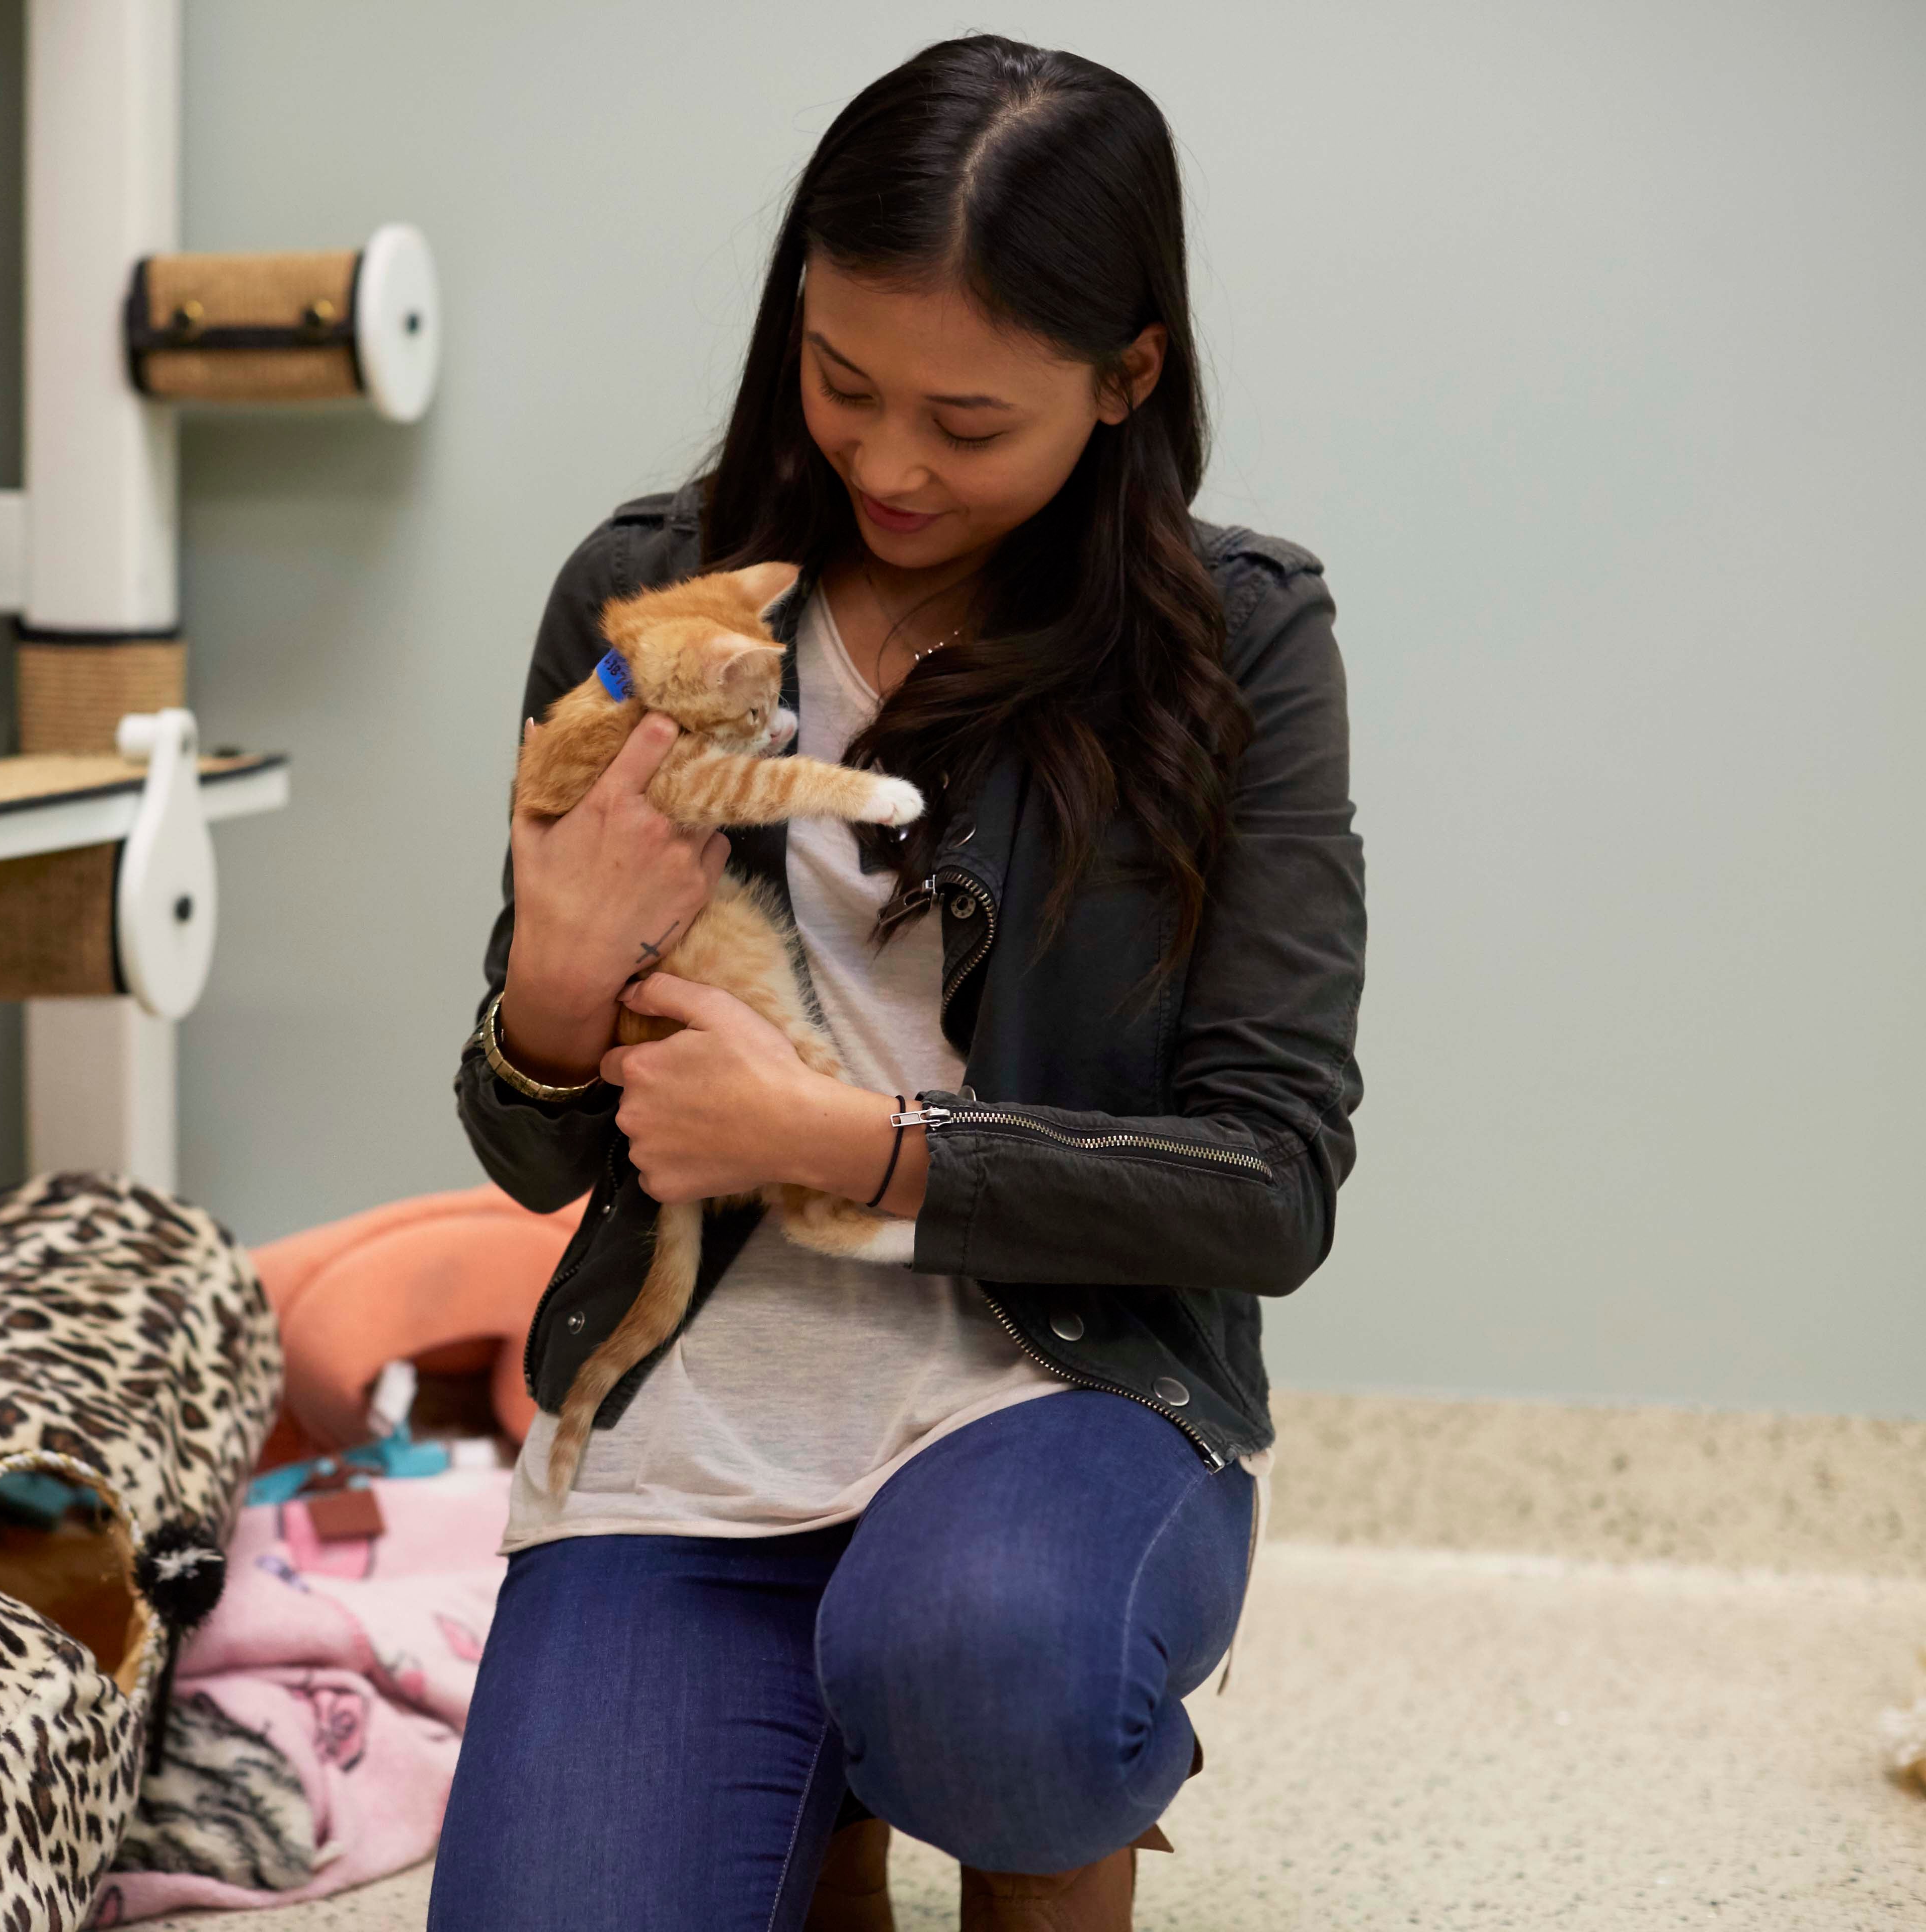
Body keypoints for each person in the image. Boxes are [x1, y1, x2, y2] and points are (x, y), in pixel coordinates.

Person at [436, 36, 1366, 1932]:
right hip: (692, 1421)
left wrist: (853, 1142)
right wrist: (550, 986)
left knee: (992, 1676)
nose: (884, 461)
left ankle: (1028, 1765)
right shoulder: (656, 597)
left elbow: (1270, 1183)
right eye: (842, 382)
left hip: (1061, 1389)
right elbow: (539, 1161)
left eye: (967, 422)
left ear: (1126, 382)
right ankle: (828, 1787)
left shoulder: (1240, 645)